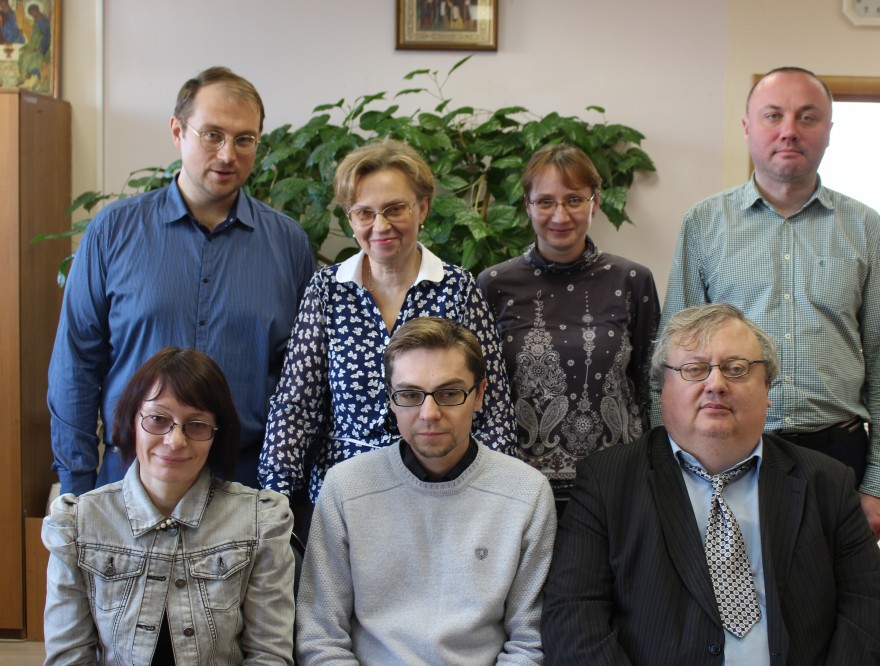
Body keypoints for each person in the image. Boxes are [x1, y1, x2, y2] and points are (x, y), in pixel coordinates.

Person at [543, 304, 880, 664]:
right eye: (694, 369)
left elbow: (872, 619)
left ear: (767, 387)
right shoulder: (607, 483)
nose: (716, 384)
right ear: (662, 390)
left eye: (736, 369)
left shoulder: (827, 483)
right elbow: (574, 619)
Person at [654, 66, 880, 540]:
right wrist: (668, 468)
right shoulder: (704, 224)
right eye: (773, 115)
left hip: (836, 456)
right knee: (728, 589)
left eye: (807, 117)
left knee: (831, 588)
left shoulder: (866, 228)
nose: (789, 130)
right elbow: (672, 361)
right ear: (747, 127)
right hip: (722, 453)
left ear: (829, 130)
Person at [47, 66, 315, 495]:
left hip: (245, 487)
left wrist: (287, 490)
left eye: (244, 139)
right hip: (128, 483)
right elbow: (76, 364)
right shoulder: (113, 232)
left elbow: (303, 380)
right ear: (177, 131)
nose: (227, 154)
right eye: (212, 135)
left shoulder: (289, 245)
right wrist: (75, 487)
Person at [259, 139, 516, 517]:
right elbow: (296, 407)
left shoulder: (458, 289)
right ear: (350, 219)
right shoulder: (327, 290)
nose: (380, 225)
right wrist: (273, 501)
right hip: (345, 498)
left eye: (395, 209)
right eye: (364, 213)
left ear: (423, 207)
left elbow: (492, 409)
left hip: (444, 495)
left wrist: (495, 499)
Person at [296, 317, 555, 664]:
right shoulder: (345, 487)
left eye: (449, 393)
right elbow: (320, 636)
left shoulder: (526, 492)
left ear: (479, 395)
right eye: (410, 395)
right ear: (391, 399)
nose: (429, 413)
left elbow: (529, 642)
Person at [42, 347, 295, 665]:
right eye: (158, 419)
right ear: (132, 421)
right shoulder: (78, 523)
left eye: (197, 424)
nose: (175, 441)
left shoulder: (260, 522)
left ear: (216, 434)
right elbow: (68, 657)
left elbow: (269, 655)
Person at [478, 143, 659, 512]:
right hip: (520, 490)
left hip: (616, 487)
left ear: (595, 202)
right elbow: (482, 394)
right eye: (545, 202)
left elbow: (651, 385)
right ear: (527, 205)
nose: (560, 215)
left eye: (574, 200)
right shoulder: (493, 285)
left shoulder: (632, 280)